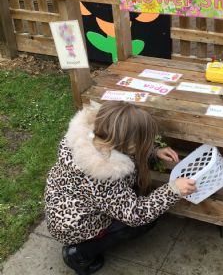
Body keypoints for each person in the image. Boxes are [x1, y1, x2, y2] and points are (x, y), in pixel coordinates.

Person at [45, 101, 196, 275]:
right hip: (76, 226)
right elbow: (136, 214)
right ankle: (79, 253)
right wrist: (173, 190)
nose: (145, 145)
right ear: (129, 144)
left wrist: (153, 152)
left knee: (135, 198)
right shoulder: (102, 176)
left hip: (70, 205)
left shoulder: (91, 137)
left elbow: (123, 147)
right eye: (143, 142)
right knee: (144, 223)